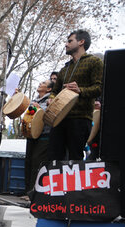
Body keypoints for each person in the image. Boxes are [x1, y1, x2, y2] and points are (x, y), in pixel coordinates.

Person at [47, 29, 103, 161]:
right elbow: (54, 91)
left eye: (70, 41)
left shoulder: (94, 62)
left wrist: (80, 90)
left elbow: (99, 88)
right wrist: (51, 99)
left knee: (75, 158)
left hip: (81, 118)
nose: (66, 44)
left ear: (81, 42)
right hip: (59, 119)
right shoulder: (64, 69)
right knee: (54, 158)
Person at [23, 80, 54, 199]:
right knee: (29, 162)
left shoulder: (50, 100)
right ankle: (27, 191)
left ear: (49, 89)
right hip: (31, 135)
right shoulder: (35, 100)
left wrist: (39, 108)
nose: (40, 84)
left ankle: (34, 192)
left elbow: (48, 114)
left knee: (37, 162)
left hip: (44, 135)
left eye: (44, 83)